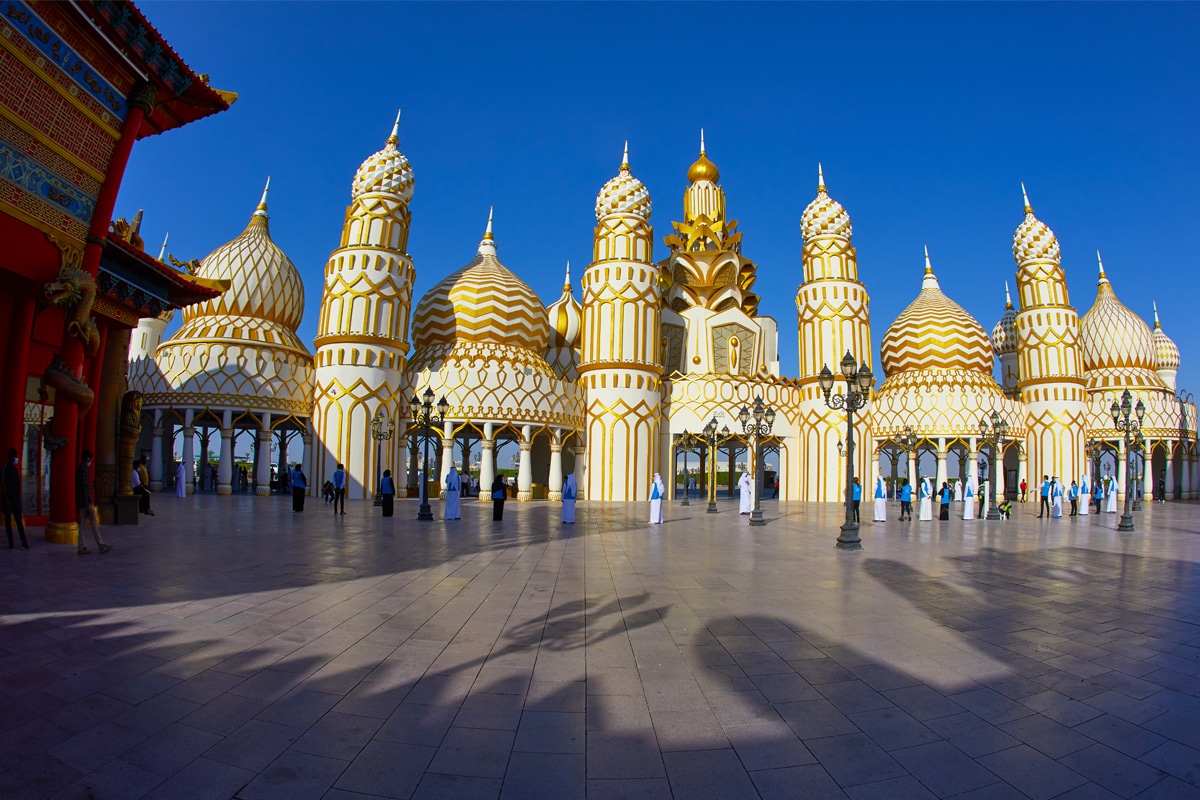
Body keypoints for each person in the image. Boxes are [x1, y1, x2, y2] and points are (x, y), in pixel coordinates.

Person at [76, 450, 110, 555]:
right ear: (87, 459)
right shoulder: (83, 471)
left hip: (81, 501)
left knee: (82, 524)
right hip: (86, 502)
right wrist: (87, 504)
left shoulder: (79, 469)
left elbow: (84, 487)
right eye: (89, 459)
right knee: (93, 523)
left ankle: (81, 546)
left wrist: (92, 486)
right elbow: (84, 488)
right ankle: (101, 545)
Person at [2, 448, 29, 550]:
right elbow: (3, 484)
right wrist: (7, 499)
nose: (16, 458)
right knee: (8, 522)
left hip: (16, 499)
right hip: (7, 500)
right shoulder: (5, 469)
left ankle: (24, 543)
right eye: (15, 456)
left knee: (19, 521)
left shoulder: (15, 469)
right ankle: (11, 544)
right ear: (11, 457)